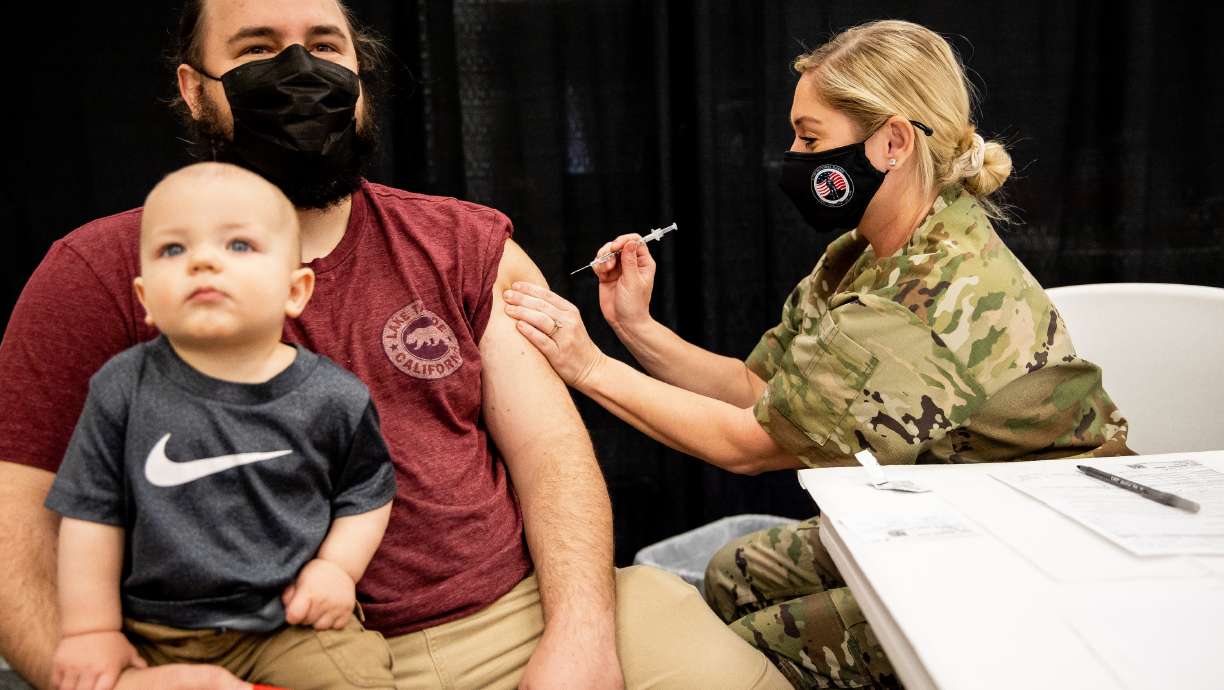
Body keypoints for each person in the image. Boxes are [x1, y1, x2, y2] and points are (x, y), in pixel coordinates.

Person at [0, 1, 790, 689]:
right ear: (192, 90)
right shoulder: (101, 273)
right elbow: (16, 521)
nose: (300, 69)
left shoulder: (463, 245)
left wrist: (580, 634)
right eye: (256, 49)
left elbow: (552, 456)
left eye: (324, 43)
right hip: (263, 653)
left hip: (513, 612)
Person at [502, 19, 1130, 689]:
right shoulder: (861, 256)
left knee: (745, 653)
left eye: (810, 138)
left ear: (891, 141)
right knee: (731, 572)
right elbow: (754, 387)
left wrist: (587, 367)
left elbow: (747, 445)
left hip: (1037, 547)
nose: (793, 157)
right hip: (949, 511)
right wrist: (635, 326)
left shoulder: (924, 297)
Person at [44, 163, 397, 690]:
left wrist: (336, 569)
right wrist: (90, 630)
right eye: (172, 250)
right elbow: (92, 517)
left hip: (290, 622)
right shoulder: (122, 389)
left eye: (238, 246)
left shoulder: (334, 397)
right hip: (156, 630)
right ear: (145, 300)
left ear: (295, 290)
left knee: (359, 678)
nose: (203, 262)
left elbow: (366, 492)